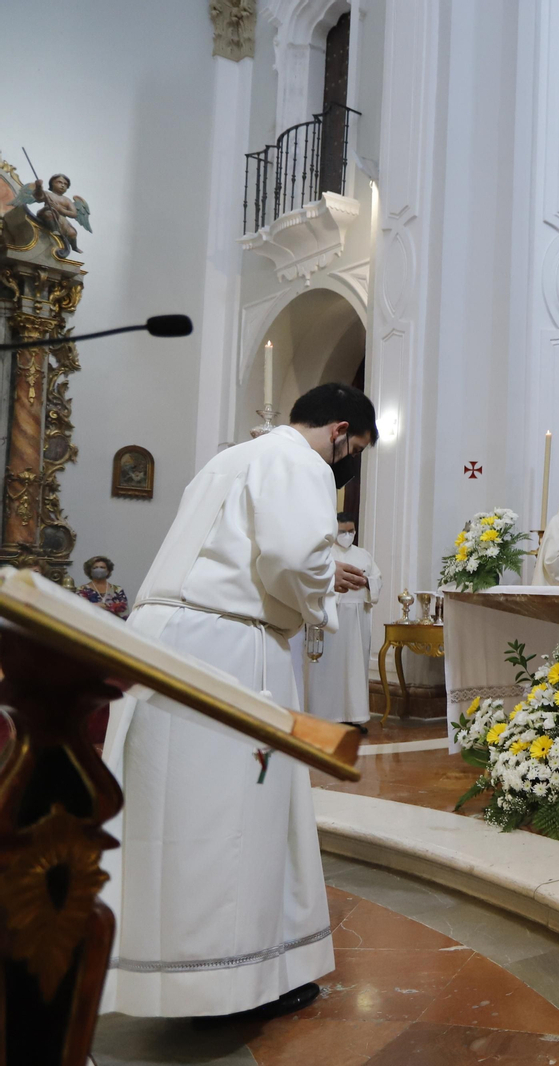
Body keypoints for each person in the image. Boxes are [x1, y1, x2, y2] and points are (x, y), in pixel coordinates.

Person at [100, 382, 376, 1022]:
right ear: (339, 431)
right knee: (231, 817)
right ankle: (229, 985)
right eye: (352, 450)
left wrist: (314, 573)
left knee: (168, 814)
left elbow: (241, 549)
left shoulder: (230, 458)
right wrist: (321, 589)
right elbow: (288, 555)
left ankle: (166, 974)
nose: (344, 464)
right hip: (228, 650)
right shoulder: (301, 461)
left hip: (166, 641)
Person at [301, 513, 382, 732]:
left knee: (354, 668)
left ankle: (352, 716)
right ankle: (322, 716)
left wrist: (366, 581)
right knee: (327, 669)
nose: (347, 535)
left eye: (351, 531)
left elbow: (377, 580)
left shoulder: (363, 554)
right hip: (330, 618)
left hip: (357, 620)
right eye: (343, 531)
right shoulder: (325, 554)